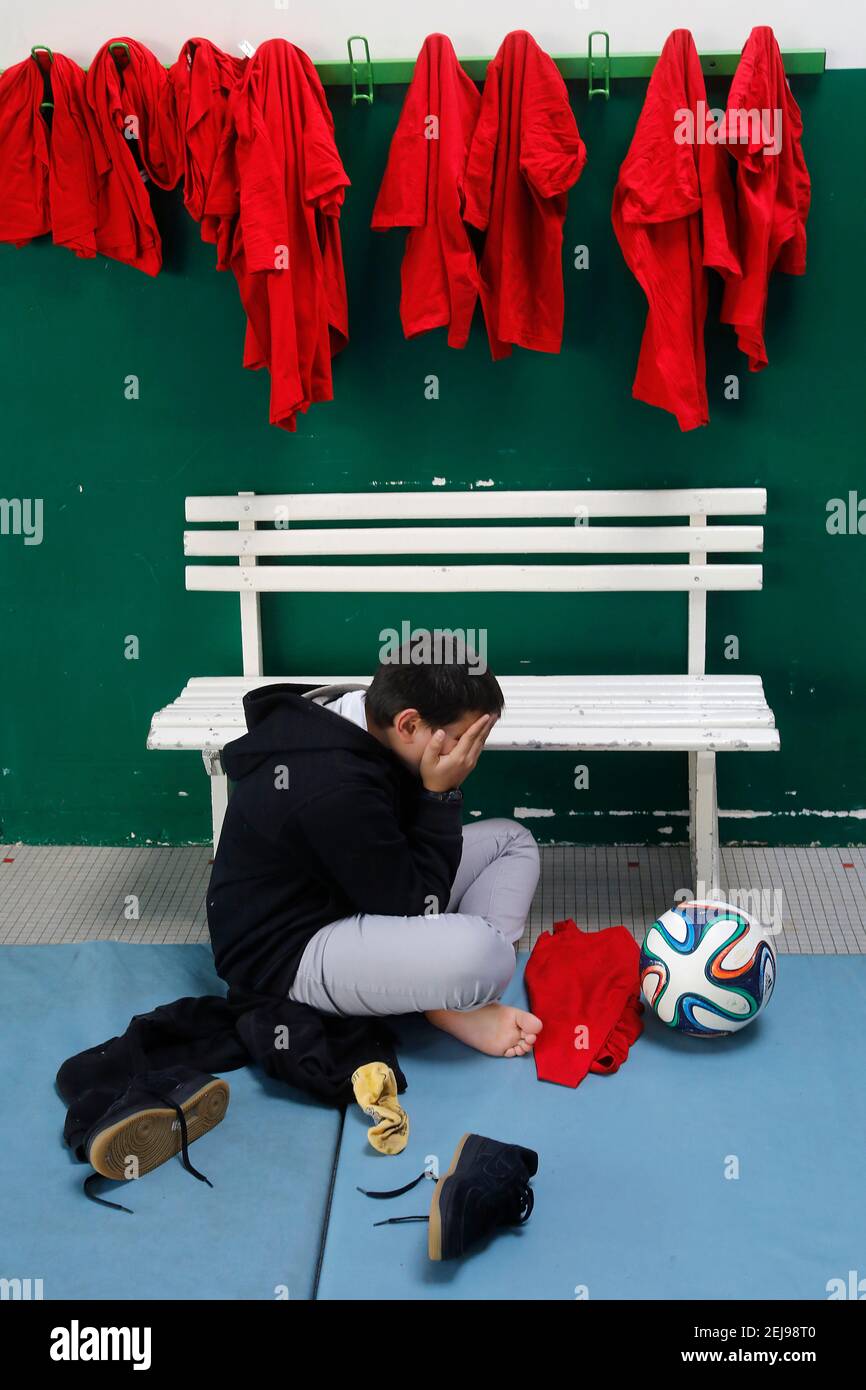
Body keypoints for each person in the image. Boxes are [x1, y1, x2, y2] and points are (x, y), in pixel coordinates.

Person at [206, 649, 543, 1058]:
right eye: (462, 738)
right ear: (409, 724)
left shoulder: (360, 714)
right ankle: (446, 993)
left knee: (512, 841)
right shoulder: (334, 785)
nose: (468, 754)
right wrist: (441, 793)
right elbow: (417, 905)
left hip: (351, 889)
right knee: (485, 956)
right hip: (288, 950)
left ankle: (442, 994)